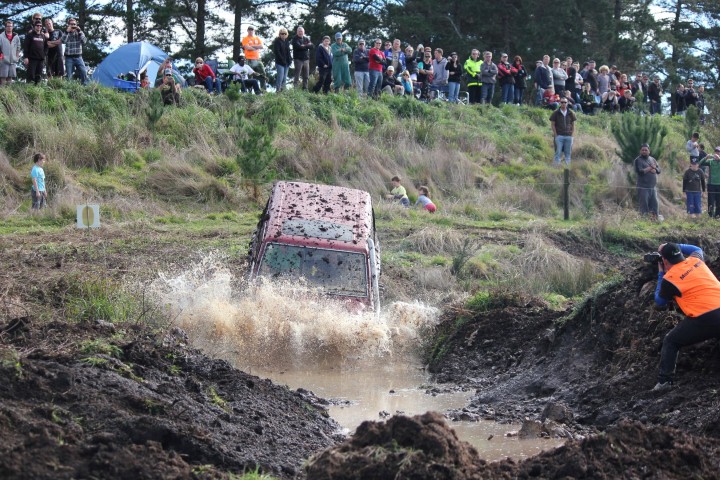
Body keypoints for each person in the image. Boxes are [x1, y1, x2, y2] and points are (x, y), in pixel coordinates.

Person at [652, 242, 720, 391]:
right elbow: (697, 248)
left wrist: (660, 273)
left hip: (707, 317)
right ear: (681, 254)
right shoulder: (696, 260)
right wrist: (674, 245)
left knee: (671, 341)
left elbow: (660, 301)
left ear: (665, 261)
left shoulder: (670, 278)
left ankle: (664, 382)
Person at [634, 143, 661, 218]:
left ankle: (655, 220)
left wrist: (655, 169)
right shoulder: (638, 160)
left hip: (653, 188)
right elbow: (640, 172)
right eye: (642, 150)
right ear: (640, 151)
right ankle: (644, 221)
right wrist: (650, 168)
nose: (644, 151)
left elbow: (659, 170)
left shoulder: (652, 159)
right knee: (644, 206)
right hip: (643, 188)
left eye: (646, 150)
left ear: (649, 151)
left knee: (655, 206)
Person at [550, 96, 576, 167]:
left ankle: (567, 168)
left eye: (565, 102)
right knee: (558, 153)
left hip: (568, 136)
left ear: (567, 103)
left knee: (568, 154)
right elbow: (552, 124)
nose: (563, 104)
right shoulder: (555, 113)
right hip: (559, 135)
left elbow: (573, 125)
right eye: (562, 102)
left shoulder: (571, 113)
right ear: (559, 103)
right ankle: (556, 168)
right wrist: (556, 135)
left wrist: (572, 135)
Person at [61, 18, 87, 85]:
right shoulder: (66, 33)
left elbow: (84, 41)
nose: (73, 26)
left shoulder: (80, 32)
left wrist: (79, 32)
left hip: (78, 57)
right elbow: (63, 41)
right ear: (68, 25)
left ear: (76, 25)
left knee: (84, 72)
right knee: (69, 75)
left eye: (74, 24)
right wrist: (67, 31)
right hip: (69, 58)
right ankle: (69, 88)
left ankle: (84, 86)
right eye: (71, 24)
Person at [242, 26, 266, 91]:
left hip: (257, 59)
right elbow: (247, 47)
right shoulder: (245, 38)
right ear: (247, 30)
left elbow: (261, 46)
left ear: (254, 31)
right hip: (248, 59)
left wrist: (252, 46)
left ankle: (263, 90)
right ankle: (249, 91)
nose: (251, 31)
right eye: (249, 30)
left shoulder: (257, 38)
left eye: (252, 30)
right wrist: (256, 47)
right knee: (249, 75)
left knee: (262, 73)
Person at [699, 146, 720, 218]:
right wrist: (706, 157)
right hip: (711, 184)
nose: (717, 153)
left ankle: (717, 215)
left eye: (718, 152)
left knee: (719, 201)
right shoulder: (711, 161)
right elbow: (700, 163)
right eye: (716, 151)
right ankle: (710, 215)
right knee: (711, 201)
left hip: (719, 184)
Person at [0, 20, 21, 86]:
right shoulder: (1, 36)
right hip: (4, 60)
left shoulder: (16, 37)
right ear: (5, 27)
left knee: (10, 77)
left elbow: (18, 47)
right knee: (3, 77)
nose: (9, 28)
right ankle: (2, 90)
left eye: (11, 26)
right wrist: (1, 56)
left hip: (13, 60)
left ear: (13, 27)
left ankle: (9, 91)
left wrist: (17, 56)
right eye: (8, 26)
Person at [272, 27, 291, 92]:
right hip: (280, 63)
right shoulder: (277, 41)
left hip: (287, 63)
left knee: (285, 78)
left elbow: (288, 52)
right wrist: (282, 60)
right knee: (280, 77)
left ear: (287, 34)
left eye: (285, 34)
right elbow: (277, 52)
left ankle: (283, 91)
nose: (283, 35)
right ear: (279, 34)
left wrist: (290, 60)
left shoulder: (287, 41)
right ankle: (278, 91)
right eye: (282, 33)